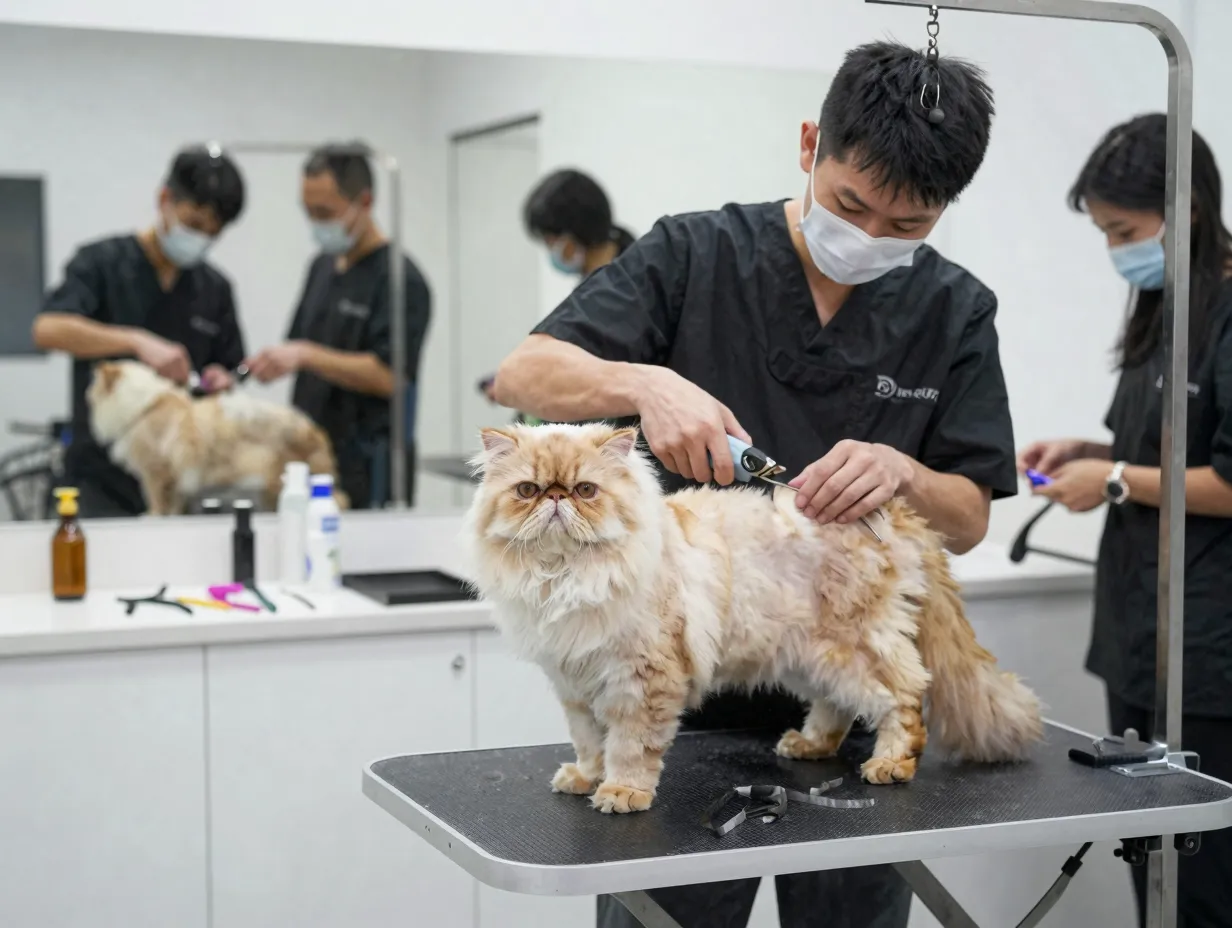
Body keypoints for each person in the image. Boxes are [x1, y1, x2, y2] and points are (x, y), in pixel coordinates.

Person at [494, 41, 1015, 928]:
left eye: (908, 227)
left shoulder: (955, 309)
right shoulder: (694, 255)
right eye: (851, 205)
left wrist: (905, 472)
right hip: (671, 704)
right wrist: (644, 385)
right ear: (811, 143)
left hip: (843, 715)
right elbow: (524, 374)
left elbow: (965, 517)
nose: (872, 238)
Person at [1019, 113, 1232, 928]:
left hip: (1209, 649)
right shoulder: (1160, 307)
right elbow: (1167, 449)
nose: (1116, 249)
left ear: (1189, 209)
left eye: (1125, 229)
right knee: (1152, 858)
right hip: (1140, 635)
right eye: (1105, 231)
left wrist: (1110, 479)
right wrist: (1094, 447)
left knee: (1208, 878)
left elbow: (1228, 476)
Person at [32, 146, 247, 518]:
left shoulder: (214, 289)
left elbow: (227, 368)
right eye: (193, 225)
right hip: (100, 481)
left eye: (213, 234)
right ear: (164, 199)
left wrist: (221, 380)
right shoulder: (101, 263)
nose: (201, 240)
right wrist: (135, 341)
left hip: (182, 484)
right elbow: (48, 329)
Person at [246, 143, 432, 509]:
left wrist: (306, 355)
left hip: (368, 464)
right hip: (310, 453)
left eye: (325, 212)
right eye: (308, 211)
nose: (316, 223)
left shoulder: (400, 280)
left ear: (364, 202)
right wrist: (269, 364)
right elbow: (300, 347)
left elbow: (388, 376)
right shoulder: (322, 267)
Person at [479, 168, 635, 411]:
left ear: (574, 235)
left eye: (550, 240)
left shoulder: (630, 288)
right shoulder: (594, 284)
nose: (549, 248)